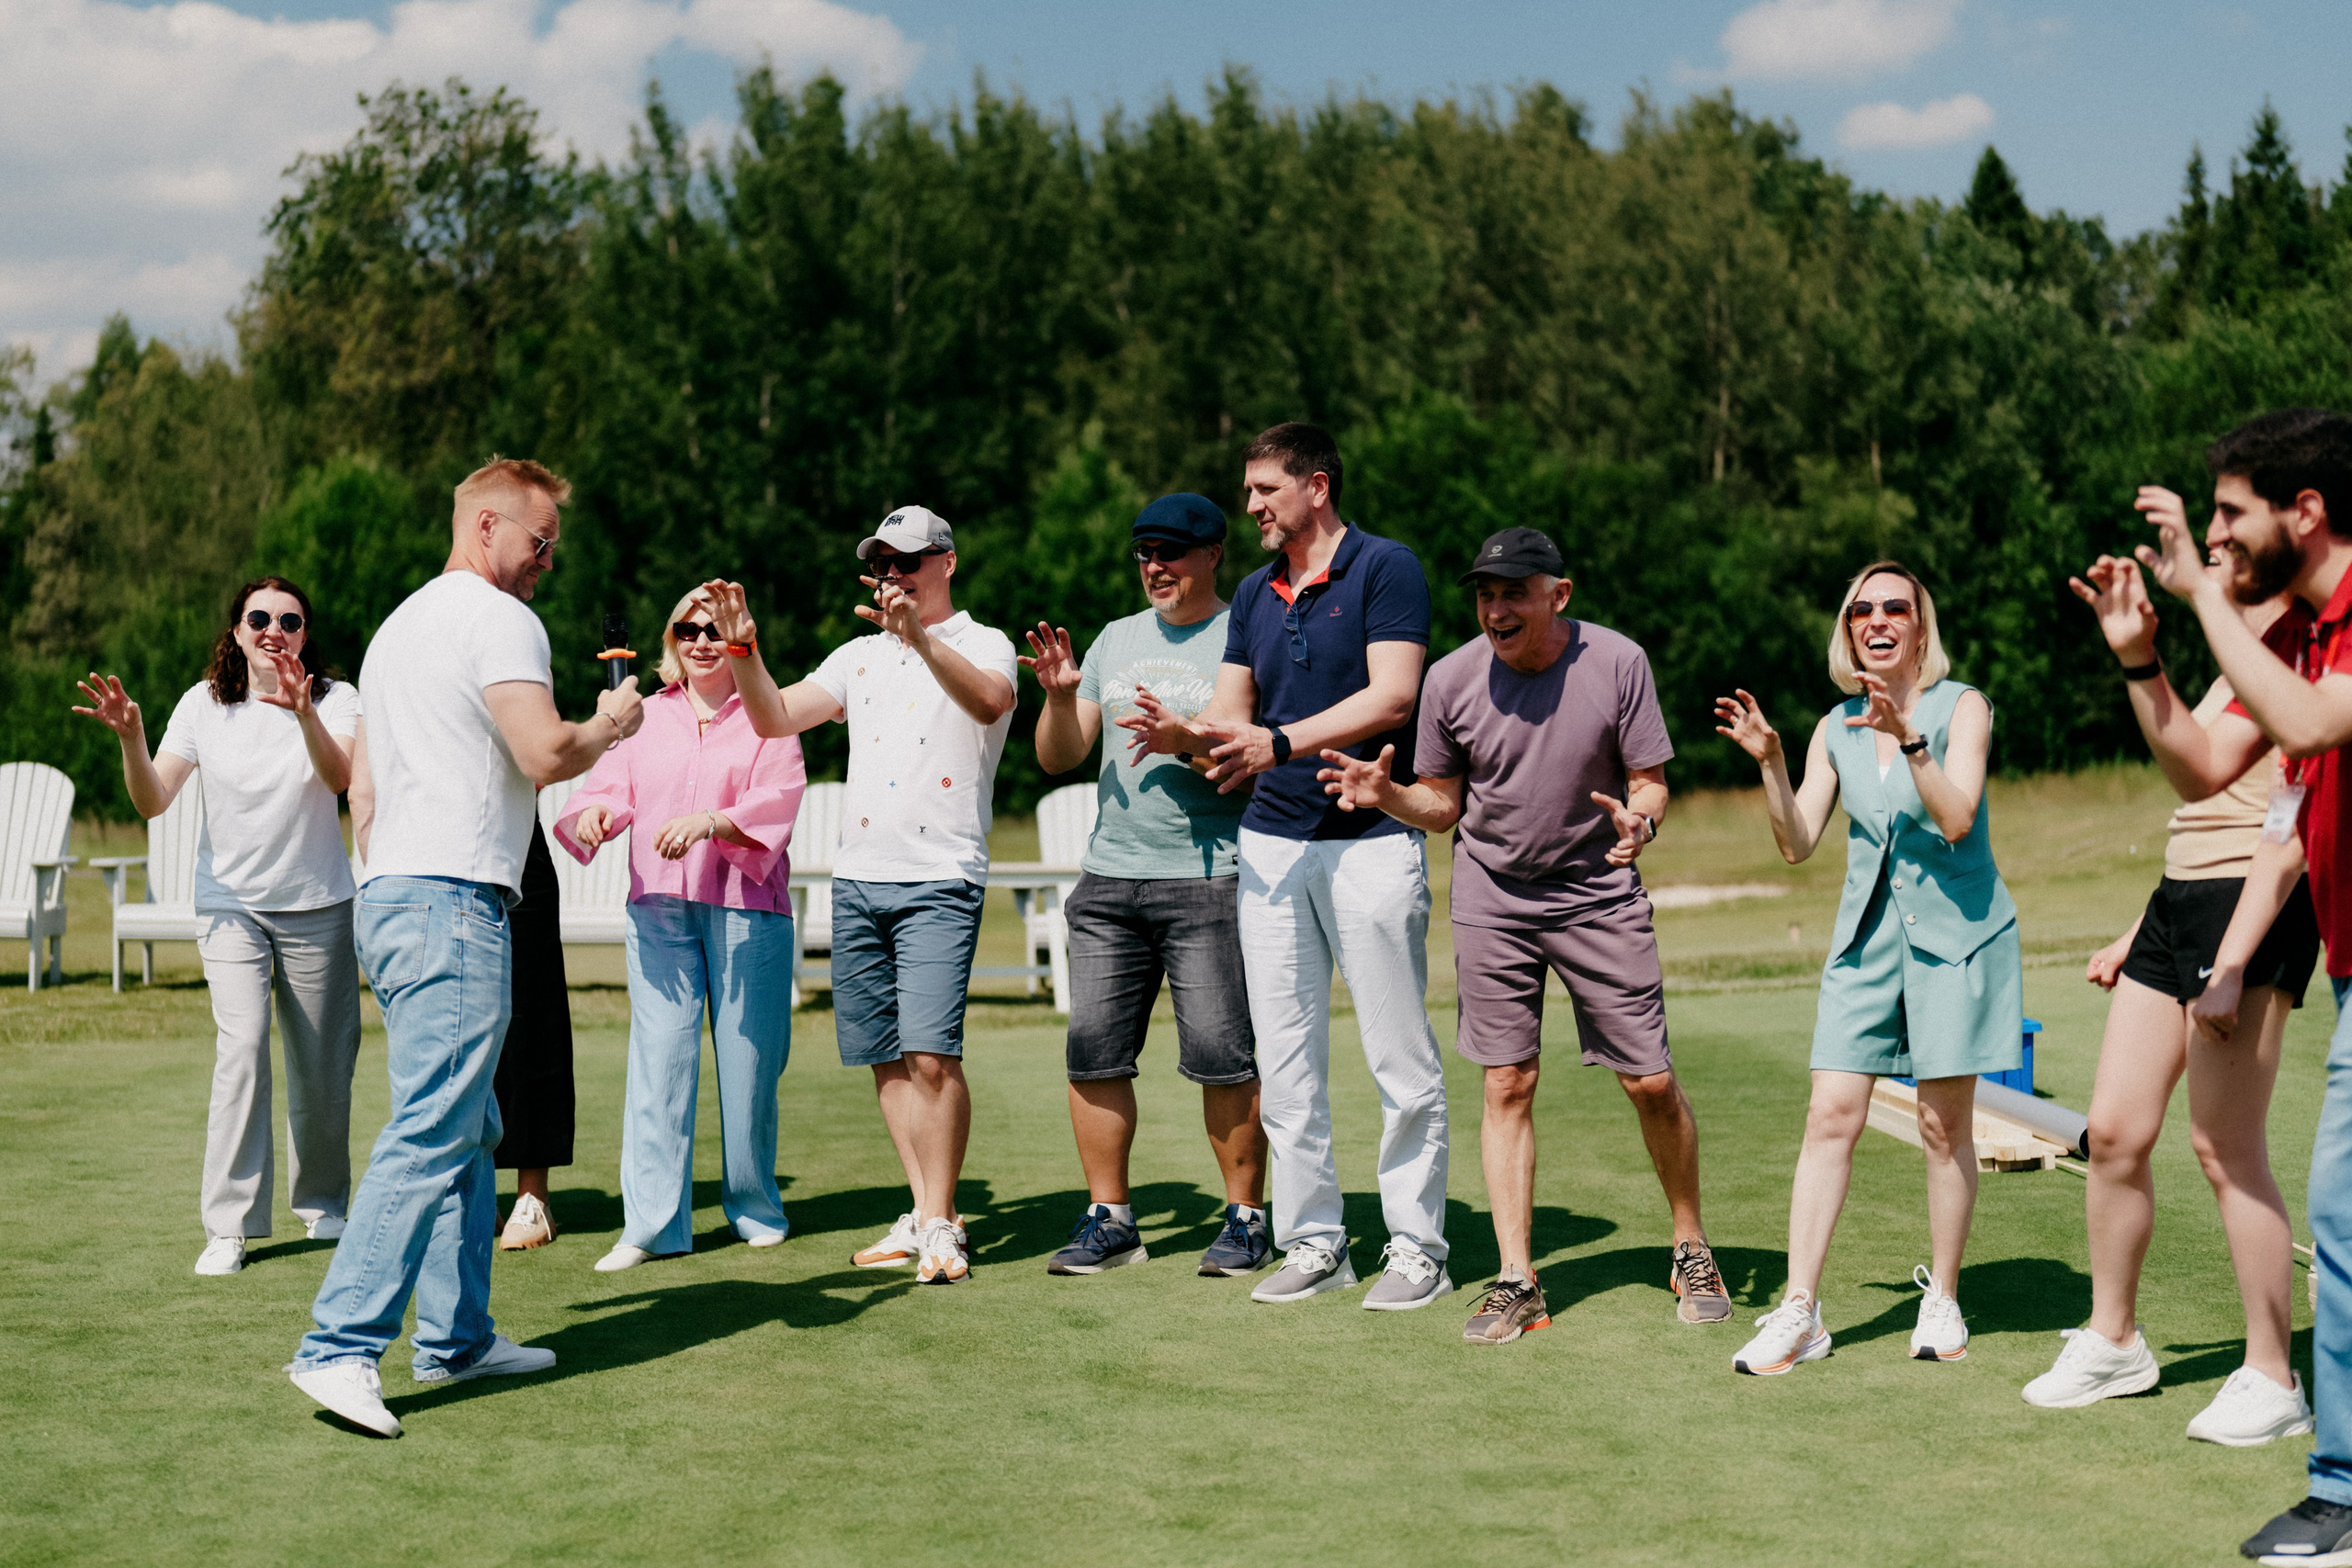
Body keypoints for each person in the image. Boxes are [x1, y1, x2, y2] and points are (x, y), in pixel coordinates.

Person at [285, 457, 644, 1438]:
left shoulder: (405, 624)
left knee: (472, 1125)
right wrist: (609, 723)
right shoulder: (498, 619)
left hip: (401, 894)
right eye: (539, 543)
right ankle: (338, 1347)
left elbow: (366, 779)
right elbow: (543, 754)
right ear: (486, 527)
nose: (546, 565)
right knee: (438, 1125)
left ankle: (456, 1338)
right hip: (448, 900)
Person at [1318, 527, 1730, 1345]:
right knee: (1506, 1081)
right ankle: (1518, 1280)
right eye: (1485, 594)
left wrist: (1639, 824)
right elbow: (1443, 804)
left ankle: (1690, 1244)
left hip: (1599, 893)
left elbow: (1650, 780)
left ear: (1559, 595)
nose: (1496, 609)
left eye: (1514, 592)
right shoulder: (1451, 679)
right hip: (1493, 899)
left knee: (1648, 1081)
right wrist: (1390, 795)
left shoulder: (1618, 663)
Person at [1129, 423, 1451, 1312]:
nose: (1251, 505)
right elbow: (1235, 717)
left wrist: (1279, 740)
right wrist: (1186, 737)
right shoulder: (1253, 592)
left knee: (1397, 1055)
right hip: (1271, 845)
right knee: (1287, 1058)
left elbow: (1393, 693)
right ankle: (1314, 1241)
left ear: (1315, 486)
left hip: (1371, 841)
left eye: (1265, 488)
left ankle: (1418, 1248)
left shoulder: (1386, 568)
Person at [2115, 411, 2352, 1562]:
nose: (2214, 537)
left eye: (2228, 515)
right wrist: (2140, 660)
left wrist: (2200, 598)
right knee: (2342, 1216)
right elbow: (2207, 762)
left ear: (2301, 514)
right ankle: (2346, 1491)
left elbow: (2311, 724)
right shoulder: (2299, 635)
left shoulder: (2334, 638)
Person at [2021, 533, 2319, 1442]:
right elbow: (2204, 793)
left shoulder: (2314, 653)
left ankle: (2272, 1376)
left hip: (2251, 913)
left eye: (2228, 536)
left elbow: (2290, 823)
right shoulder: (2245, 652)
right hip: (2176, 903)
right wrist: (2138, 928)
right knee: (2110, 1133)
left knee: (2224, 1149)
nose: (2211, 552)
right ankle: (2114, 1342)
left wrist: (2229, 960)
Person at [1713, 559, 2022, 1376]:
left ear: (1922, 627)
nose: (1877, 620)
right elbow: (1796, 842)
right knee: (1829, 1116)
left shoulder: (1966, 709)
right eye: (1860, 610)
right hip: (1865, 945)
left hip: (1955, 938)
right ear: (1847, 631)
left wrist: (1909, 740)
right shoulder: (1832, 726)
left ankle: (1944, 1297)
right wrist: (1773, 765)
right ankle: (1799, 1310)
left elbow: (1957, 818)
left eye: (1895, 607)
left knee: (1941, 1125)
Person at [701, 505, 1015, 1286]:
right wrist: (743, 647)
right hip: (860, 876)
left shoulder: (983, 642)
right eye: (882, 562)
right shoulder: (858, 655)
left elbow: (990, 702)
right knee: (885, 1061)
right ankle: (923, 1210)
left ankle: (943, 1224)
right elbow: (775, 717)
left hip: (941, 874)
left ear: (947, 561)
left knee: (932, 1055)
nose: (893, 575)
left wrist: (920, 638)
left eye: (907, 560)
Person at [74, 578, 363, 1278]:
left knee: (324, 1067)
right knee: (242, 1048)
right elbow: (152, 800)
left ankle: (324, 1204)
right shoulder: (203, 704)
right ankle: (229, 1224)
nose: (274, 628)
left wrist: (303, 714)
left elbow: (341, 780)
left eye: (289, 620)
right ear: (236, 631)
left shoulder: (338, 699)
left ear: (303, 633)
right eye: (258, 617)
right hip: (231, 904)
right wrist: (133, 740)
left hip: (319, 903)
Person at [1020, 492, 1269, 1278]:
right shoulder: (1114, 640)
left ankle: (1246, 1219)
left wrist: (1186, 742)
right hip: (1110, 880)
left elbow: (1251, 765)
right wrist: (1061, 697)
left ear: (1212, 554)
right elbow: (1059, 756)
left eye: (1171, 551)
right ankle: (1111, 1218)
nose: (1154, 566)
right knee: (1092, 1052)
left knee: (1222, 1056)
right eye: (1143, 553)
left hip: (1209, 879)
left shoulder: (1245, 634)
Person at [553, 589, 808, 1272]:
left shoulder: (767, 710)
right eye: (688, 629)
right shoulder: (646, 717)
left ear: (735, 638)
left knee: (750, 1066)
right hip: (659, 911)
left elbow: (779, 797)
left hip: (748, 907)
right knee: (660, 1064)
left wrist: (715, 821)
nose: (700, 641)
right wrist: (595, 817)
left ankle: (755, 1206)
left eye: (714, 629)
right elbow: (604, 787)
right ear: (672, 639)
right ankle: (652, 1224)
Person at [350, 742, 575, 1256]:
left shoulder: (503, 662)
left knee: (531, 1020)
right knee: (453, 1032)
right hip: (429, 849)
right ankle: (471, 1195)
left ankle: (532, 1197)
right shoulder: (397, 666)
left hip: (513, 844)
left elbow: (541, 752)